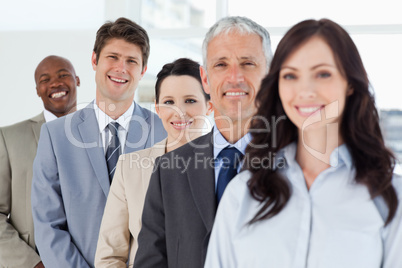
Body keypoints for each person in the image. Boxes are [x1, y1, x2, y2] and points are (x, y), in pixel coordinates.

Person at [204, 18, 402, 268]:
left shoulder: (389, 196)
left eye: (323, 74)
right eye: (290, 76)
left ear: (350, 83)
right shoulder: (242, 193)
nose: (305, 90)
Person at [133, 16, 273, 268]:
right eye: (221, 64)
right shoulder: (169, 170)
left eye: (248, 63)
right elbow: (150, 261)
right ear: (205, 79)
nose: (234, 77)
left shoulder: (296, 165)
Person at [31, 18, 166, 268]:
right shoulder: (55, 136)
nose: (121, 68)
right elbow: (48, 225)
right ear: (94, 60)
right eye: (112, 57)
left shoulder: (165, 132)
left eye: (131, 61)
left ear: (143, 70)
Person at [94, 58, 212, 267]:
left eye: (190, 100)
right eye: (169, 102)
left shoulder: (227, 165)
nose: (179, 112)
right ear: (157, 109)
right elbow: (109, 256)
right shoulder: (130, 168)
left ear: (209, 106)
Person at [0, 55, 79, 268]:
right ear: (37, 90)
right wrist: (32, 263)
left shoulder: (101, 135)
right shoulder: (9, 138)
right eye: (45, 79)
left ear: (77, 80)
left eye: (63, 75)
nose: (55, 83)